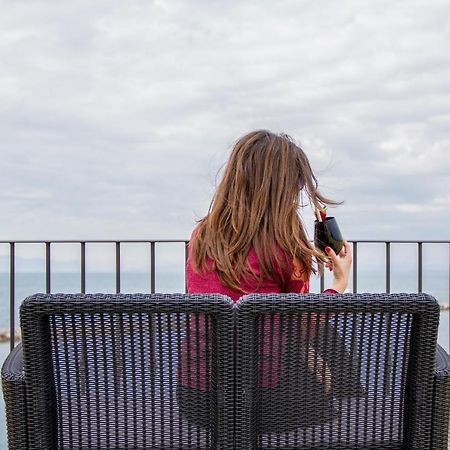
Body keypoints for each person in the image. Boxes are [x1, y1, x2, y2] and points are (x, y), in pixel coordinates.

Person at [178, 130, 355, 431]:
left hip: (198, 399)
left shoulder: (201, 236)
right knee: (335, 359)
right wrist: (338, 283)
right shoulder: (285, 246)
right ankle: (351, 396)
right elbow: (304, 327)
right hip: (264, 400)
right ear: (283, 188)